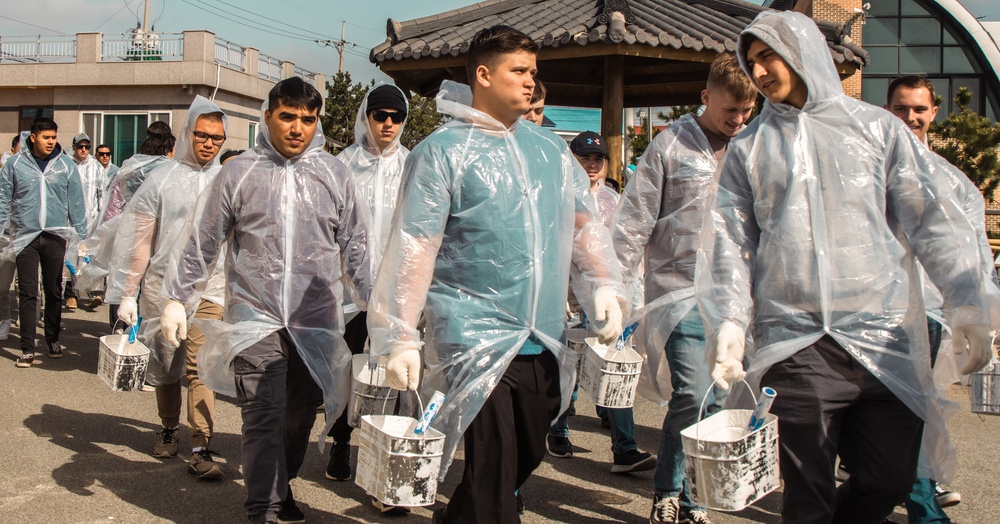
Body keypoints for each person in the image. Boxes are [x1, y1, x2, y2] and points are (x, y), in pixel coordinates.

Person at [699, 11, 999, 524]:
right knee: (806, 492)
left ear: (803, 51)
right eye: (752, 62)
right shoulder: (750, 148)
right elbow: (732, 242)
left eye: (768, 55)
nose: (761, 71)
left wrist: (969, 301)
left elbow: (933, 222)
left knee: (890, 477)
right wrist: (730, 320)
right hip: (797, 343)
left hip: (883, 337)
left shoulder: (876, 130)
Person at [369, 26, 628, 524]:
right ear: (483, 76)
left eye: (534, 72)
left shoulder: (551, 151)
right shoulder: (442, 152)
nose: (532, 81)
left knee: (526, 451)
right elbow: (414, 249)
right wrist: (400, 334)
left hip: (542, 332)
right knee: (494, 467)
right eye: (520, 70)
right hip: (473, 333)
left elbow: (582, 227)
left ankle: (459, 515)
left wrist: (604, 284)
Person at [163, 77, 371, 524]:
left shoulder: (334, 174)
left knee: (297, 419)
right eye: (288, 116)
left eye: (308, 119)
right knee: (261, 414)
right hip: (255, 318)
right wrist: (177, 298)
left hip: (315, 321)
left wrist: (386, 314)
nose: (298, 127)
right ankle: (264, 507)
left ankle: (283, 484)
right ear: (268, 115)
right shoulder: (238, 174)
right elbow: (203, 242)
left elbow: (356, 247)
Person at [613, 51, 756, 524]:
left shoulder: (753, 147)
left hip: (734, 296)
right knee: (692, 393)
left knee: (719, 397)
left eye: (746, 111)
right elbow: (634, 220)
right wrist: (614, 287)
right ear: (705, 97)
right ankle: (668, 492)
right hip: (679, 292)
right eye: (729, 110)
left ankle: (696, 500)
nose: (737, 120)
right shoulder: (670, 146)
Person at [885, 75, 993, 524]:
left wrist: (976, 313)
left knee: (919, 410)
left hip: (929, 313)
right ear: (885, 111)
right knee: (904, 413)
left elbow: (975, 251)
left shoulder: (954, 181)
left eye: (919, 109)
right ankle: (919, 503)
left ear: (933, 113)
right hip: (880, 314)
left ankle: (921, 501)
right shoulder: (867, 176)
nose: (910, 117)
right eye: (900, 108)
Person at [108, 96, 228, 480]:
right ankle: (167, 425)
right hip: (162, 289)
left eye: (217, 138)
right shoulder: (160, 179)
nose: (209, 144)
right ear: (188, 132)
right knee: (166, 365)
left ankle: (201, 444)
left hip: (211, 290)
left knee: (200, 366)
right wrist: (128, 291)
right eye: (203, 135)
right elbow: (138, 240)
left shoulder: (226, 181)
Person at [547, 130, 656, 474]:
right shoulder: (557, 197)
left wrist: (628, 294)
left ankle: (625, 447)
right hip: (568, 300)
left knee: (617, 368)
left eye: (598, 159)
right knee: (569, 368)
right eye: (584, 158)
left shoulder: (614, 201)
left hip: (605, 300)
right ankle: (558, 429)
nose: (592, 165)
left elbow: (627, 247)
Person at [327, 83, 409, 504]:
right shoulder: (343, 165)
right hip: (349, 296)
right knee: (348, 372)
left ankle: (381, 456)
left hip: (397, 296)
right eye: (381, 115)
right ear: (367, 117)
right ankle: (341, 443)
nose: (389, 124)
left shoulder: (413, 166)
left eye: (396, 116)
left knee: (393, 378)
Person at [0, 117, 86, 367]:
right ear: (33, 137)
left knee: (53, 289)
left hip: (55, 235)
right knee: (27, 291)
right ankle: (27, 347)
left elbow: (76, 201)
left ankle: (52, 339)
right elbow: (3, 199)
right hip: (25, 236)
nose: (51, 142)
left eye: (54, 137)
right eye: (46, 137)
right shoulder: (15, 165)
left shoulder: (65, 165)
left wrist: (82, 238)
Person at [78, 122, 175, 330]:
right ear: (169, 147)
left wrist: (106, 233)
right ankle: (143, 330)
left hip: (127, 230)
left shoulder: (131, 166)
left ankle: (119, 328)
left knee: (124, 279)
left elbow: (114, 203)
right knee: (150, 281)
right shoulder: (169, 168)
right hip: (159, 233)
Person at [63, 132, 104, 310]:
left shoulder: (97, 167)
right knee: (70, 257)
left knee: (90, 257)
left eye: (87, 147)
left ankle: (93, 293)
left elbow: (102, 194)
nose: (84, 150)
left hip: (91, 220)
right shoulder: (66, 165)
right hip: (69, 221)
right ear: (73, 147)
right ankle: (71, 294)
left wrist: (102, 219)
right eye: (80, 146)